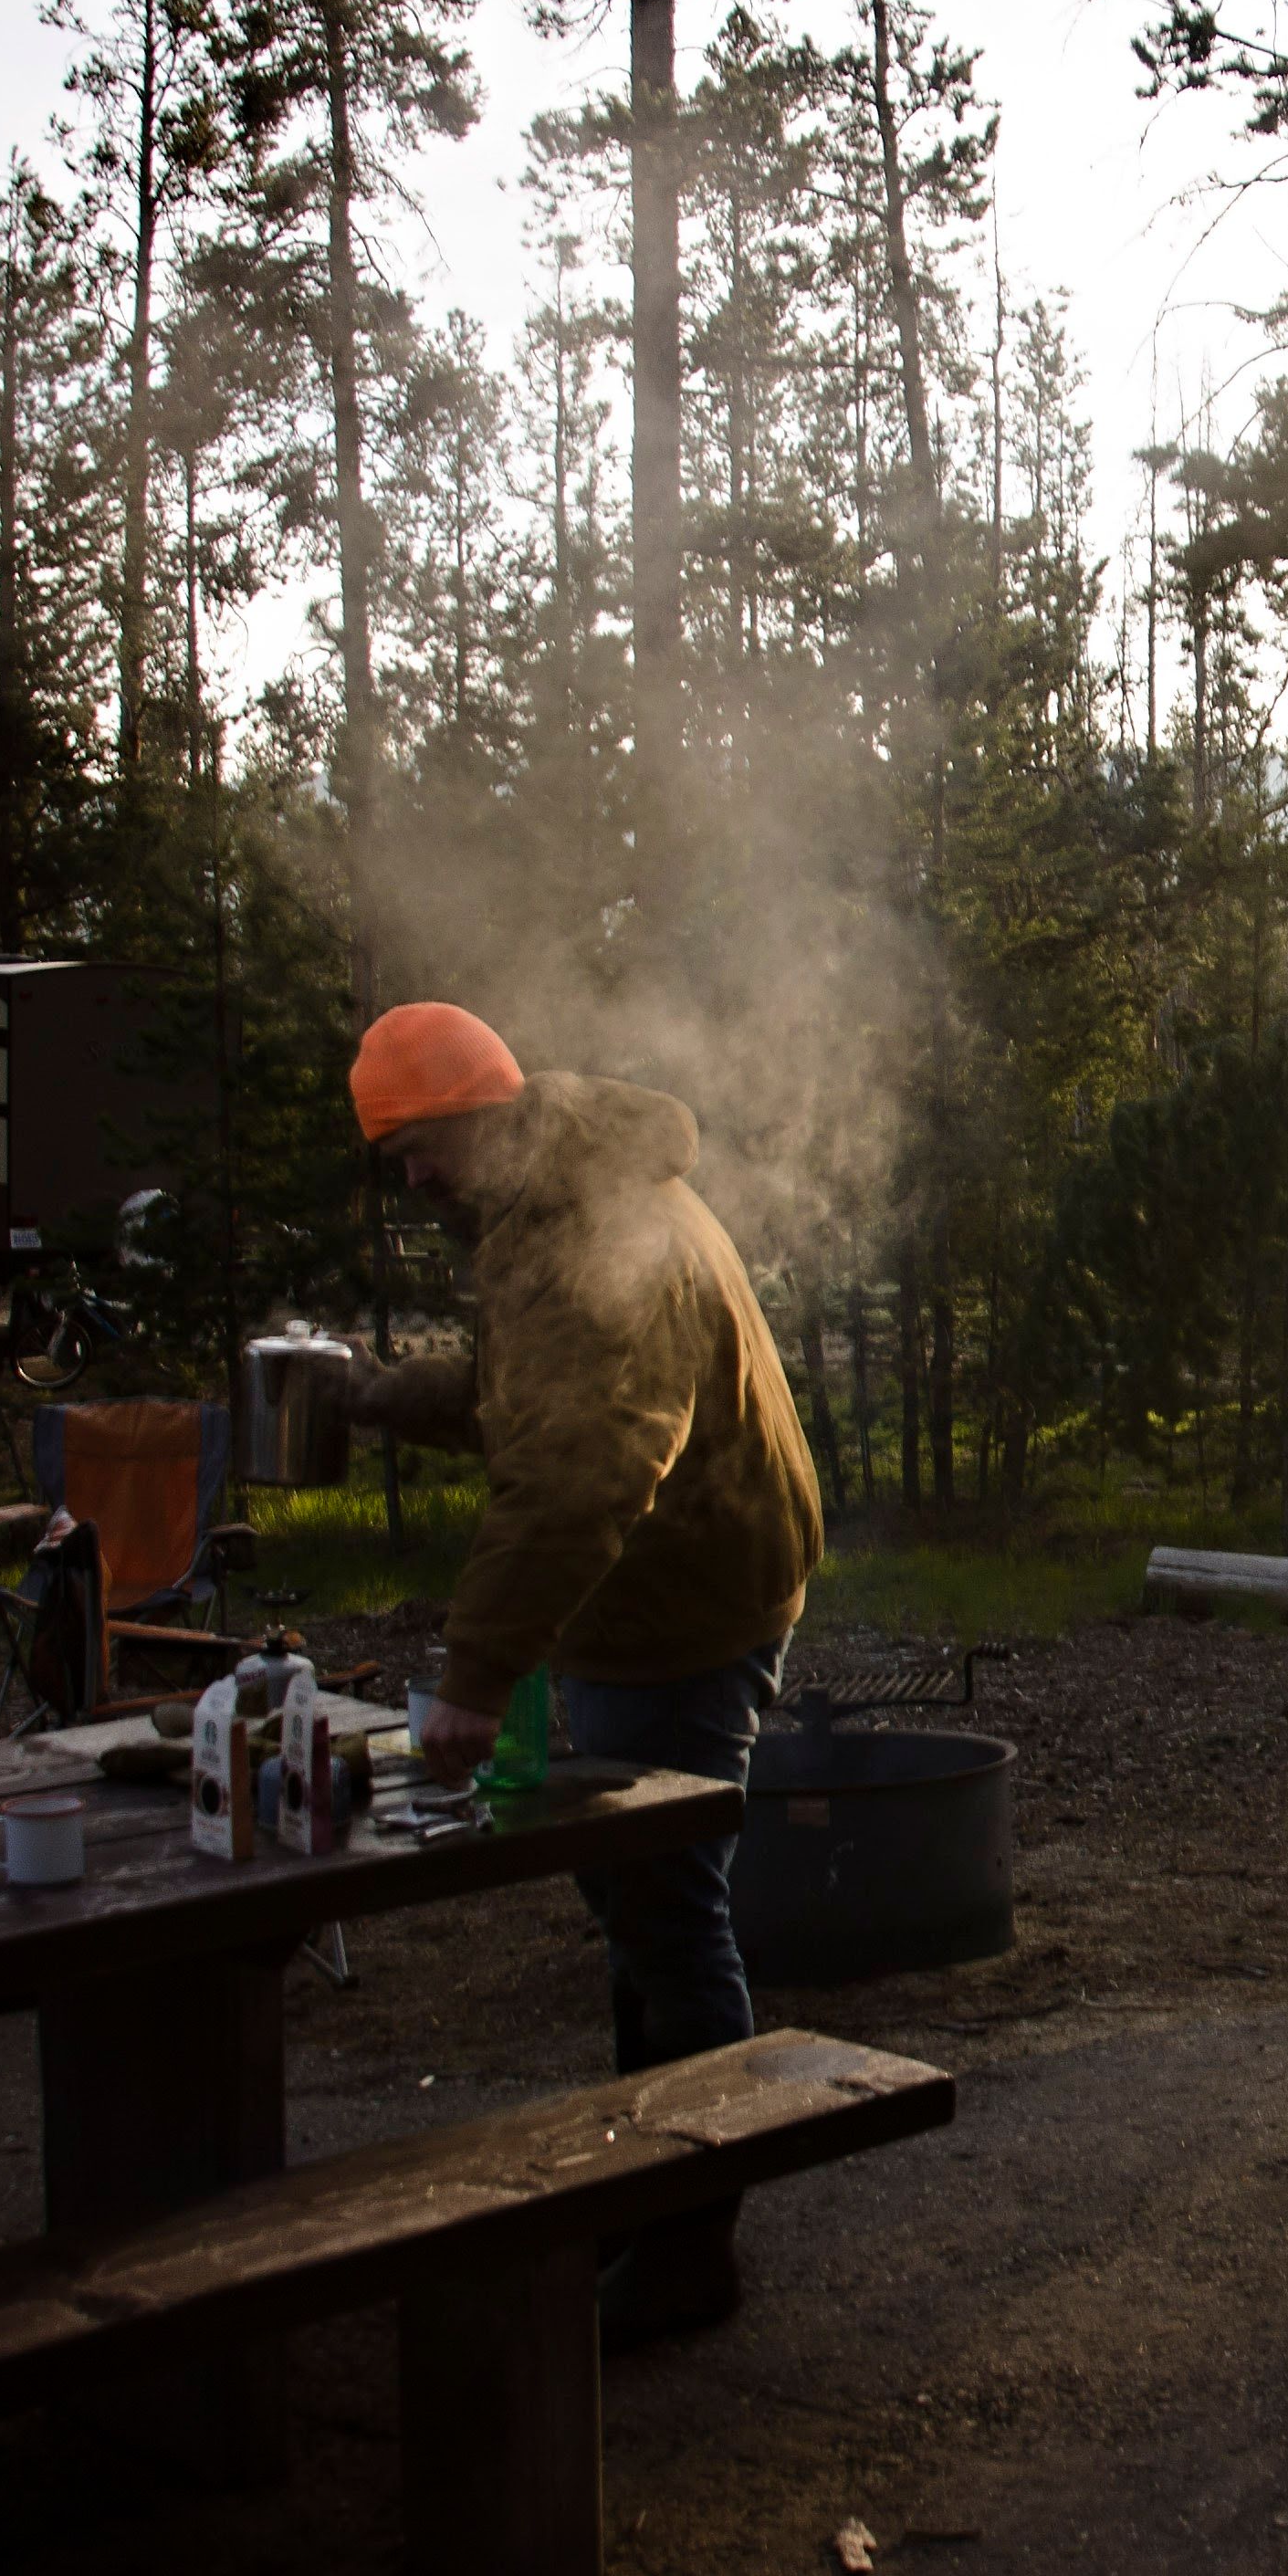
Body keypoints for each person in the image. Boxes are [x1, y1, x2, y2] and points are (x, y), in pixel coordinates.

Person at [343, 1000, 825, 2345]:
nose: (414, 1181)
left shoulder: (585, 1232)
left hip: (682, 1610)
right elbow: (532, 1392)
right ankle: (649, 2180)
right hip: (673, 1594)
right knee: (636, 1907)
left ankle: (686, 2248)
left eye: (416, 1150)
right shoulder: (557, 1200)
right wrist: (384, 1391)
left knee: (669, 1914)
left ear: (473, 1119)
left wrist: (477, 1676)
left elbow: (580, 1468)